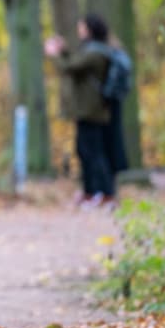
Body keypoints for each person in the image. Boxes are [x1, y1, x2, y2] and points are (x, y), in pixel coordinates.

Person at [44, 14, 128, 207]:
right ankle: (91, 192)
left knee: (95, 153)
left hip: (93, 112)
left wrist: (55, 54)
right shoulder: (94, 51)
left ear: (90, 29)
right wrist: (64, 51)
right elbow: (75, 63)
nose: (79, 31)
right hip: (88, 111)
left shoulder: (97, 53)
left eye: (81, 27)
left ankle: (106, 194)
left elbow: (70, 67)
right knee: (84, 151)